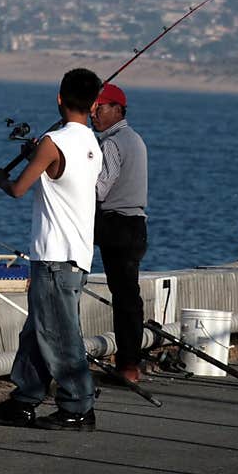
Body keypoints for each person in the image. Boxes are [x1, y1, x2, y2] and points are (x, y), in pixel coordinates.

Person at [0, 68, 103, 431]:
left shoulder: (52, 142)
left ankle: (79, 406)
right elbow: (60, 172)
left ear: (59, 99)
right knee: (37, 331)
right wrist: (40, 154)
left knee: (60, 336)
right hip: (77, 256)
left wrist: (0, 179)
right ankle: (24, 399)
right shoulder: (92, 145)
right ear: (95, 105)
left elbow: (19, 189)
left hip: (53, 257)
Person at [91, 83, 148, 384]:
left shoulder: (112, 143)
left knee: (125, 298)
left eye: (98, 108)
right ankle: (130, 362)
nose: (93, 114)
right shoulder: (135, 139)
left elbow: (100, 188)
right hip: (136, 226)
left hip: (118, 226)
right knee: (129, 297)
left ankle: (128, 366)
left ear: (117, 109)